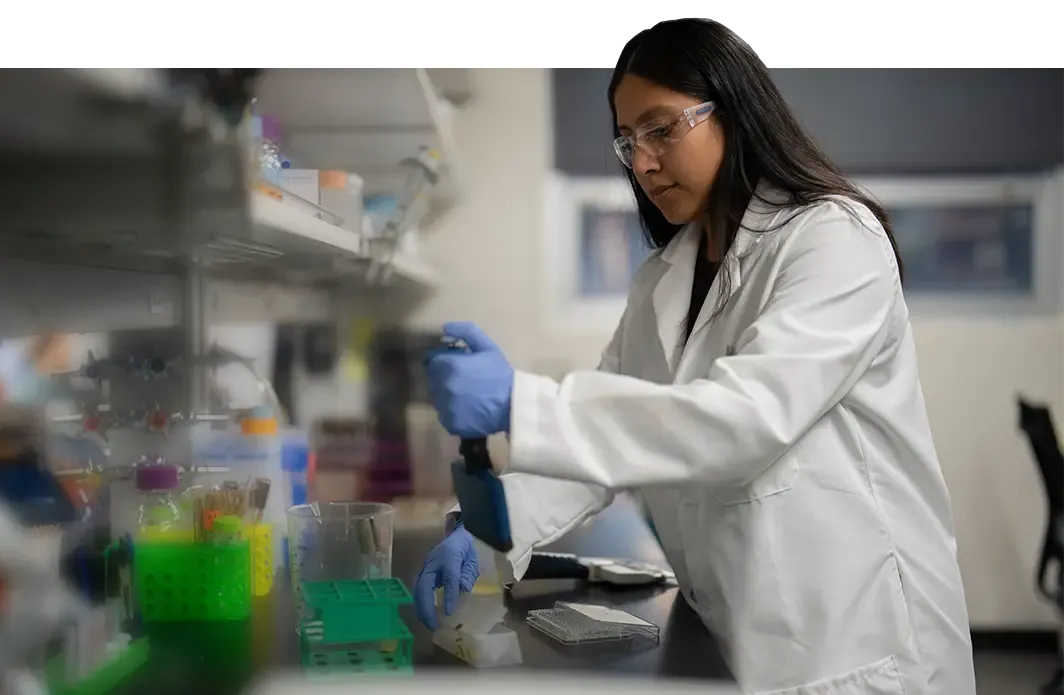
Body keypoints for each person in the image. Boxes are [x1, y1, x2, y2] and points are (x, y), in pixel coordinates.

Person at [415, 17, 975, 695]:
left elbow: (743, 420)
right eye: (628, 142)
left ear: (732, 109)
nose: (643, 161)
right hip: (738, 631)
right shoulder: (665, 278)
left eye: (661, 128)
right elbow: (599, 449)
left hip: (858, 648)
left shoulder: (834, 240)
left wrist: (519, 401)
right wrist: (488, 536)